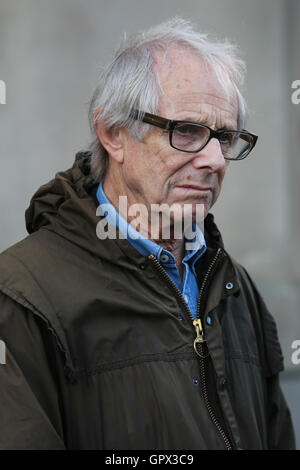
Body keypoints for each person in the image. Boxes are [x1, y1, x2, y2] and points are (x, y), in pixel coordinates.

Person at [0, 18, 295, 450]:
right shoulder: (22, 295)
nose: (215, 159)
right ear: (113, 134)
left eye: (226, 137)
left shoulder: (234, 287)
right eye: (188, 131)